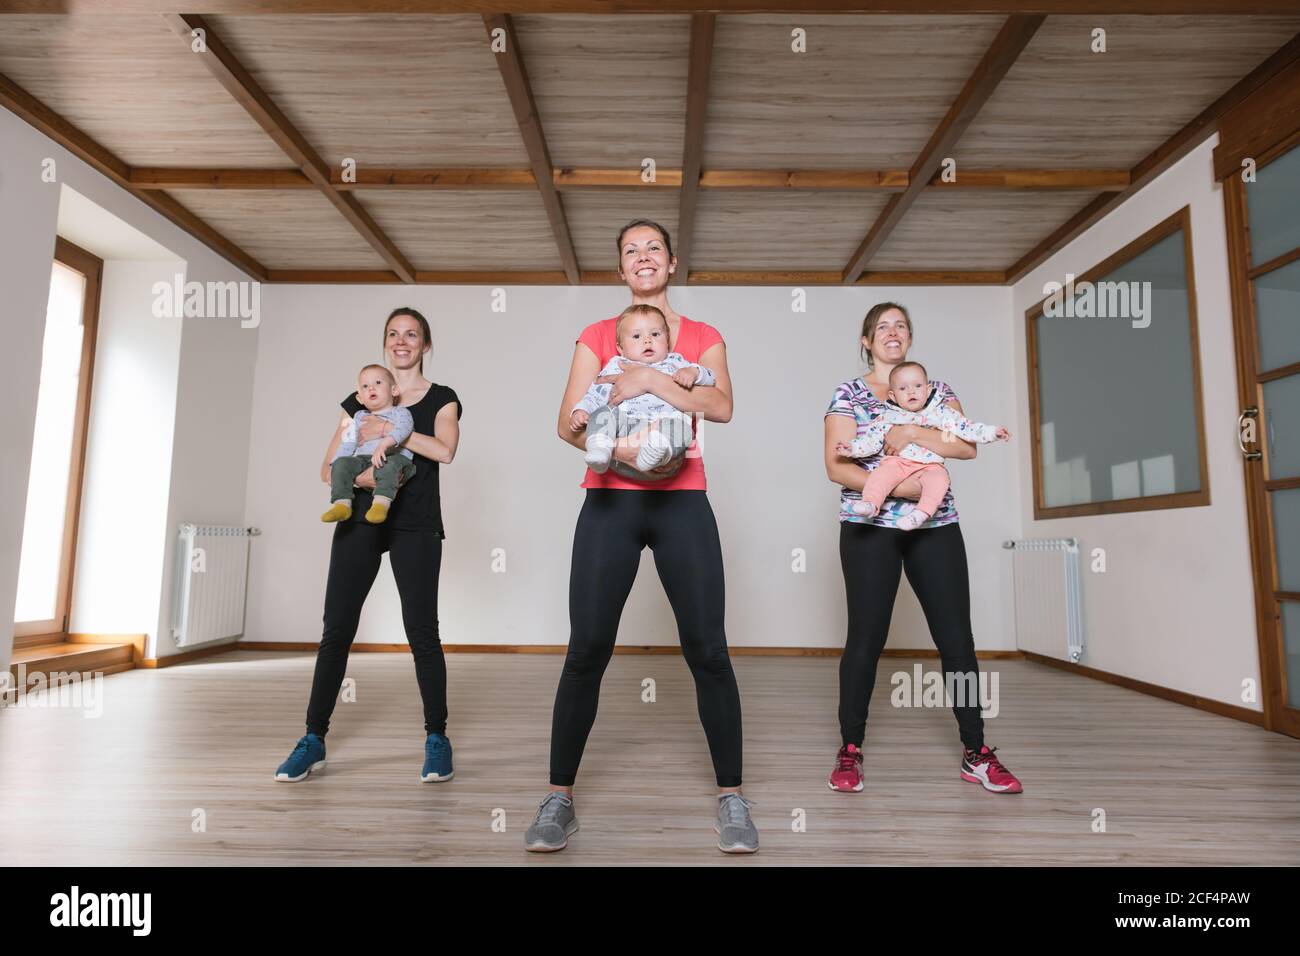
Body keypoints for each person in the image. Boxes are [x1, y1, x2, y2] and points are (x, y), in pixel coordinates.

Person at [523, 219, 757, 854]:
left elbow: (722, 407)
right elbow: (568, 424)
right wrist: (625, 450)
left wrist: (650, 380)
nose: (643, 257)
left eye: (653, 247)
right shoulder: (598, 336)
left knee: (708, 650)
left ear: (672, 262)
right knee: (586, 650)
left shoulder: (703, 338)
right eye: (631, 251)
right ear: (621, 270)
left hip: (683, 503)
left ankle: (731, 797)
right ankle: (558, 799)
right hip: (611, 504)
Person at [823, 302, 1023, 795]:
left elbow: (966, 446)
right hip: (869, 528)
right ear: (866, 340)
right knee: (865, 639)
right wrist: (899, 489)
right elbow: (837, 466)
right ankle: (851, 749)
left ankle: (976, 751)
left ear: (909, 338)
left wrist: (911, 432)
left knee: (957, 638)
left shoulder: (937, 391)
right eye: (882, 327)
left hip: (936, 526)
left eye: (901, 326)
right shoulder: (848, 393)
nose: (893, 332)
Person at [275, 307, 463, 785]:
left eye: (412, 334)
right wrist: (362, 472)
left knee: (422, 631)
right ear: (386, 342)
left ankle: (437, 738)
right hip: (361, 516)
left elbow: (445, 451)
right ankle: (313, 739)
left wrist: (391, 430)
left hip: (415, 522)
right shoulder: (358, 400)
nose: (402, 341)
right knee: (336, 628)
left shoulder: (442, 398)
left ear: (425, 344)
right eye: (394, 334)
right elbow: (327, 467)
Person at [836, 360, 1010, 530]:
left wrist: (992, 432)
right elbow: (871, 441)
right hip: (898, 463)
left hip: (930, 466)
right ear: (893, 395)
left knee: (939, 480)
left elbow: (966, 428)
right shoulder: (887, 416)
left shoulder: (942, 413)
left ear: (928, 390)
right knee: (881, 475)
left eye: (917, 386)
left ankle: (920, 514)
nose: (911, 391)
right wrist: (851, 448)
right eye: (903, 388)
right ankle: (871, 503)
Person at [570, 303, 715, 478]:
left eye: (655, 334)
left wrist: (694, 372)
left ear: (667, 341)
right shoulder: (616, 366)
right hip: (624, 434)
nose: (647, 340)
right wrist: (581, 410)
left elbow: (711, 378)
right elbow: (596, 394)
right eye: (636, 336)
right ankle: (600, 448)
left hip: (663, 442)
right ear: (621, 348)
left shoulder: (675, 362)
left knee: (683, 429)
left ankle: (657, 450)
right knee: (604, 413)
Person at [321, 364, 417, 525]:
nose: (371, 387)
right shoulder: (359, 417)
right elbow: (348, 442)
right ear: (360, 398)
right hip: (365, 461)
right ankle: (342, 505)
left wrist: (385, 444)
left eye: (378, 383)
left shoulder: (400, 413)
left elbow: (404, 429)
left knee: (389, 465)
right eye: (365, 386)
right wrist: (334, 465)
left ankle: (381, 504)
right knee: (341, 463)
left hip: (396, 459)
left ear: (394, 390)